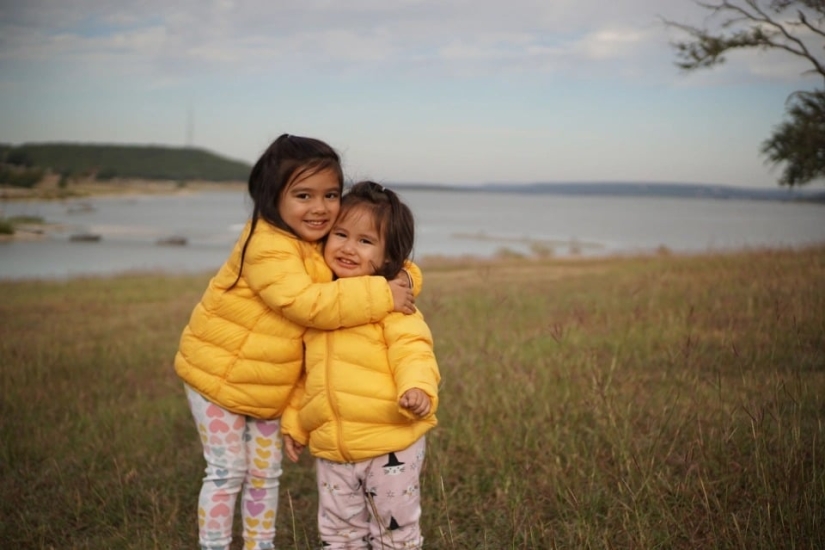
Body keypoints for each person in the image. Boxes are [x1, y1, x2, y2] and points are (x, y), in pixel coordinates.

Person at [174, 135, 418, 550]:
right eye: (303, 195)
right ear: (273, 197)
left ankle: (260, 544)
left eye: (330, 194)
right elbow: (305, 304)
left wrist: (404, 281)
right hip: (217, 377)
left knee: (265, 474)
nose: (320, 207)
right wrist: (384, 295)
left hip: (272, 385)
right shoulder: (266, 244)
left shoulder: (317, 239)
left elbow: (376, 258)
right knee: (227, 470)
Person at [282, 181, 440, 549]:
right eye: (340, 234)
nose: (348, 248)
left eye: (365, 241)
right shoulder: (319, 306)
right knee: (338, 531)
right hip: (334, 447)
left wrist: (417, 388)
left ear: (387, 258)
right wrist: (296, 424)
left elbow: (413, 350)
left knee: (394, 530)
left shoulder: (394, 304)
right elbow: (305, 374)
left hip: (390, 444)